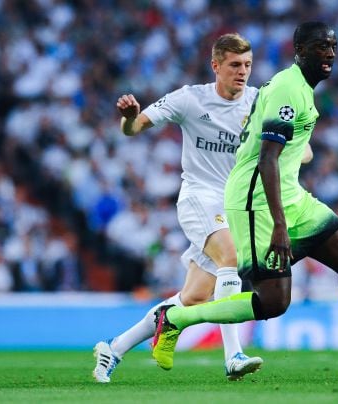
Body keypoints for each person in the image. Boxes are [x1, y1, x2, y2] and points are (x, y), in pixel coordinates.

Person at [151, 21, 338, 382]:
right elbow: (266, 159)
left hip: (291, 196)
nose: (330, 54)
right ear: (300, 50)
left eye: (333, 46)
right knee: (273, 303)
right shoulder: (288, 89)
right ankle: (175, 318)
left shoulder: (301, 88)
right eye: (321, 47)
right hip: (256, 203)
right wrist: (280, 227)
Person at [93, 33, 264, 383]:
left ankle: (115, 347)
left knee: (193, 297)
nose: (242, 72)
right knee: (230, 258)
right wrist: (129, 117)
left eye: (247, 65)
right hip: (198, 198)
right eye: (234, 65)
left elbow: (295, 146)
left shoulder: (259, 102)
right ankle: (233, 355)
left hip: (233, 206)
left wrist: (298, 152)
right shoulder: (190, 99)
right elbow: (133, 128)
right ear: (215, 66)